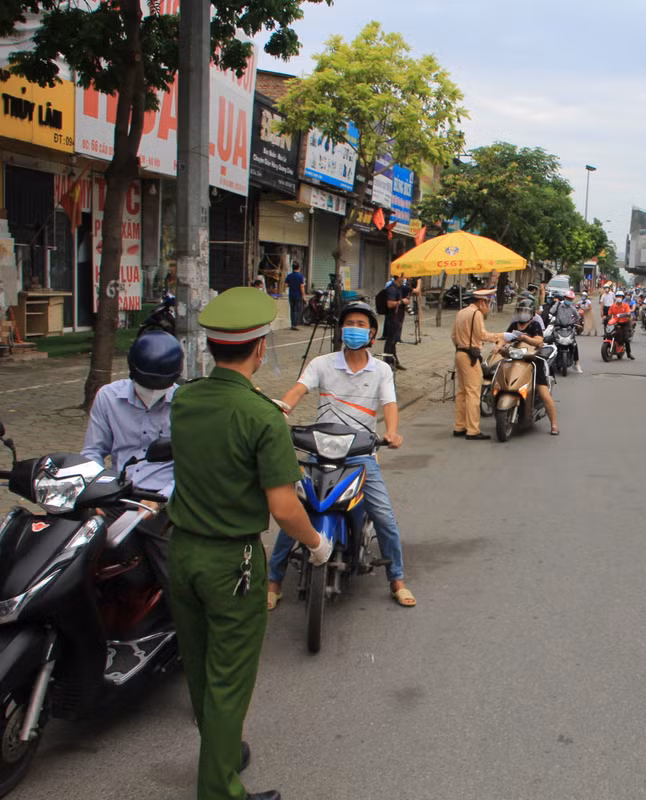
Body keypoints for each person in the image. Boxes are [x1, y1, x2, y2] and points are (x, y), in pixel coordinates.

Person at [168, 287, 331, 800]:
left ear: (211, 345)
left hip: (181, 551)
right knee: (229, 678)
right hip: (231, 561)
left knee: (200, 667)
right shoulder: (262, 416)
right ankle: (220, 790)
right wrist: (317, 545)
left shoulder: (185, 399)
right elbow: (284, 507)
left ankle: (221, 751)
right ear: (260, 348)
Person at [267, 301, 413, 607]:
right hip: (321, 453)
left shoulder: (381, 370)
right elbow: (298, 390)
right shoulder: (322, 364)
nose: (354, 329)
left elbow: (389, 405)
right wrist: (280, 411)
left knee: (384, 517)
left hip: (360, 455)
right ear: (341, 329)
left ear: (372, 333)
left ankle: (397, 579)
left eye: (361, 325)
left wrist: (392, 432)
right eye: (349, 324)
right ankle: (274, 581)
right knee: (295, 512)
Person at [82, 329, 183, 589]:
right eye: (146, 385)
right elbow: (93, 452)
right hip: (118, 495)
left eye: (160, 387)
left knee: (175, 578)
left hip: (165, 502)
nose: (151, 393)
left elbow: (191, 466)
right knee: (81, 559)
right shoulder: (108, 397)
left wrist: (160, 499)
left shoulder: (185, 405)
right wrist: (95, 493)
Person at [452, 288, 507, 440]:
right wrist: (500, 336)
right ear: (482, 302)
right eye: (489, 303)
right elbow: (482, 335)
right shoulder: (476, 314)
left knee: (462, 392)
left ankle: (459, 426)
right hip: (470, 356)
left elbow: (453, 336)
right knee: (473, 392)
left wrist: (462, 345)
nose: (489, 307)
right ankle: (472, 430)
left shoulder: (461, 312)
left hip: (460, 353)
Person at [505, 298, 561, 434]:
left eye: (525, 311)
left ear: (531, 313)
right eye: (520, 311)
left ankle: (554, 424)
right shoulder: (514, 325)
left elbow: (539, 342)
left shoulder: (535, 325)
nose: (522, 314)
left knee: (544, 393)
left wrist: (525, 338)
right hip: (515, 359)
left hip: (533, 361)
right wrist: (500, 346)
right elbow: (505, 339)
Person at [384, 273, 411, 369]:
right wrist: (402, 301)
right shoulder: (392, 289)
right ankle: (387, 363)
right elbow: (390, 304)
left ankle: (394, 361)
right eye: (403, 277)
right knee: (390, 341)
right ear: (398, 277)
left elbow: (413, 290)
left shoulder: (399, 288)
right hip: (393, 318)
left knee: (394, 340)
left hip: (399, 317)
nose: (404, 279)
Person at [607, 289, 635, 360]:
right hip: (615, 323)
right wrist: (607, 319)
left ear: (622, 298)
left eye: (620, 296)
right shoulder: (612, 306)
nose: (619, 298)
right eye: (617, 296)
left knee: (626, 339)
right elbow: (609, 315)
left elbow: (628, 313)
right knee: (608, 335)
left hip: (624, 324)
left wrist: (625, 315)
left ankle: (629, 353)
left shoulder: (626, 306)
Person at [284, 262, 305, 330]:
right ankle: (295, 324)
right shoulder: (300, 276)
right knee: (298, 310)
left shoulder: (289, 275)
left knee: (292, 310)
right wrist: (303, 295)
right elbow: (302, 287)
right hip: (298, 295)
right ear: (299, 268)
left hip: (291, 295)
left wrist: (291, 285)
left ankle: (292, 324)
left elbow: (286, 285)